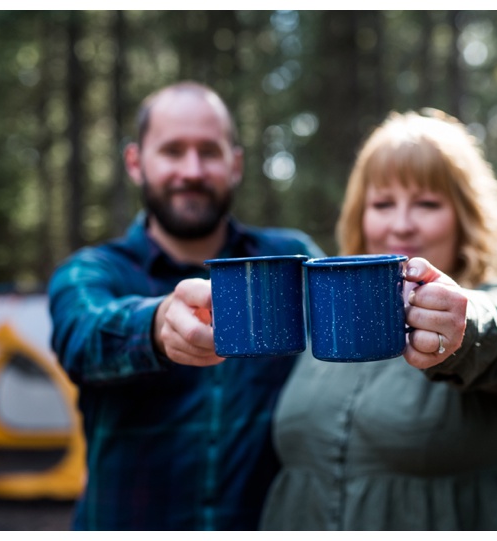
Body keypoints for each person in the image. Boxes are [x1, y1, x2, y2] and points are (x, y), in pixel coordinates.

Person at [258, 109, 497, 530]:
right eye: (382, 203)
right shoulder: (320, 320)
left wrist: (463, 323)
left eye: (427, 203)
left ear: (465, 216)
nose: (400, 225)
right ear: (360, 218)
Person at [48, 81, 324, 530]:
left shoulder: (291, 259)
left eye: (209, 152)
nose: (192, 170)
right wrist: (156, 326)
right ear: (136, 163)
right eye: (173, 151)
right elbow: (80, 336)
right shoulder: (92, 271)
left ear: (235, 164)